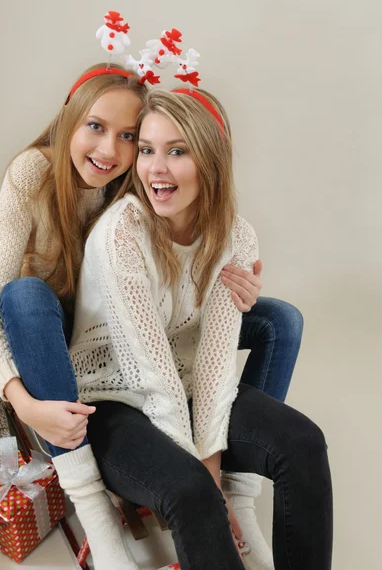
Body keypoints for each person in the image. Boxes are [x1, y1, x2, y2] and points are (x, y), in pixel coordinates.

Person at [0, 61, 301, 568]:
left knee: (279, 320)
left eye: (129, 137)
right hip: (54, 339)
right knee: (24, 295)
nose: (109, 151)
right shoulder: (33, 174)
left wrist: (233, 285)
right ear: (68, 119)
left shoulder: (137, 180)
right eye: (95, 127)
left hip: (137, 327)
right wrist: (22, 402)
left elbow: (187, 254)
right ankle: (95, 509)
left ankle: (237, 482)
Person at [65, 88, 333, 570]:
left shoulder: (236, 234)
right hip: (111, 403)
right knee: (192, 493)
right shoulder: (121, 232)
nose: (155, 169)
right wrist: (207, 481)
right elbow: (152, 376)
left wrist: (213, 466)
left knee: (303, 442)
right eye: (146, 150)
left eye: (177, 151)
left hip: (185, 385)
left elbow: (213, 366)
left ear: (210, 159)